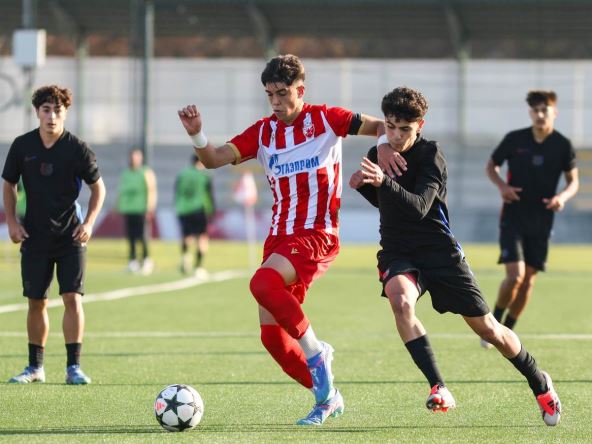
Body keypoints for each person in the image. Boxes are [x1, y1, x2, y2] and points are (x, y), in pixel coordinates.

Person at [177, 54, 400, 425]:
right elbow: (213, 159)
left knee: (261, 283)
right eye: (270, 95)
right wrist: (196, 133)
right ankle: (327, 396)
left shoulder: (326, 118)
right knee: (273, 339)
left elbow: (380, 126)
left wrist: (385, 146)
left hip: (316, 233)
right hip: (279, 239)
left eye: (282, 93)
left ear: (301, 90)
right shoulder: (263, 132)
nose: (276, 102)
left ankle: (317, 354)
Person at [349, 86, 561, 426]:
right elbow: (387, 203)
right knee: (400, 301)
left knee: (489, 330)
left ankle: (539, 380)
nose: (397, 135)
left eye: (405, 128)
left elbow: (419, 207)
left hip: (441, 253)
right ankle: (439, 387)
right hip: (398, 251)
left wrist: (382, 182)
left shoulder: (431, 154)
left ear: (420, 125)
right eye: (390, 127)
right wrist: (365, 186)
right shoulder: (379, 153)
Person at [2, 85, 106, 385]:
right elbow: (9, 184)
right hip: (34, 236)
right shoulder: (22, 146)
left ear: (65, 113)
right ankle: (35, 367)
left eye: (57, 110)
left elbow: (98, 189)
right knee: (36, 301)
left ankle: (74, 367)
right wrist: (12, 222)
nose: (51, 116)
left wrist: (89, 224)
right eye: (46, 110)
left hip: (70, 236)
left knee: (72, 297)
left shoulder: (77, 149)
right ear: (37, 112)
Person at [482, 90, 578, 345]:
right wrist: (502, 187)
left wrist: (562, 197)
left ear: (554, 112)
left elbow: (573, 182)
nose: (539, 114)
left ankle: (508, 331)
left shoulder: (562, 145)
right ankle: (493, 325)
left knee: (528, 282)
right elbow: (491, 166)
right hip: (513, 216)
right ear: (530, 113)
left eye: (544, 110)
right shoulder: (515, 139)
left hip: (542, 220)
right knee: (515, 276)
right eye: (535, 110)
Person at [117, 148, 157, 275]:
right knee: (131, 237)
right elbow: (122, 191)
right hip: (129, 209)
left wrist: (150, 207)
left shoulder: (146, 172)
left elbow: (151, 190)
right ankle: (133, 261)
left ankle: (146, 260)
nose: (134, 159)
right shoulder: (126, 173)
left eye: (137, 156)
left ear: (141, 158)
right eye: (133, 156)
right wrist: (118, 205)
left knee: (143, 236)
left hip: (141, 209)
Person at [174, 153, 215, 277]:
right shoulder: (204, 175)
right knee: (202, 237)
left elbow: (177, 191)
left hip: (183, 209)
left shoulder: (182, 174)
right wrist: (211, 211)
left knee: (187, 236)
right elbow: (209, 194)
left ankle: (185, 257)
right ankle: (199, 266)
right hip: (198, 209)